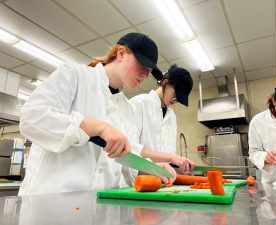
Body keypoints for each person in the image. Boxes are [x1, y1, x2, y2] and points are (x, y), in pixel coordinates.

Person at [18, 32, 176, 196]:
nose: (145, 74)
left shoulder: (127, 108)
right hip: (50, 202)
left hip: (101, 207)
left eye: (149, 71)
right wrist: (95, 127)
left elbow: (126, 155)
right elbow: (32, 117)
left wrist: (150, 169)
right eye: (142, 65)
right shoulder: (75, 75)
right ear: (121, 53)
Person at [130, 65, 195, 174]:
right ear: (165, 82)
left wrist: (176, 166)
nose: (175, 101)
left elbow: (168, 152)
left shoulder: (172, 117)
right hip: (137, 182)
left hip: (162, 182)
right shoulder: (138, 104)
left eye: (179, 99)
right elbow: (131, 149)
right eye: (175, 95)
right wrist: (170, 157)